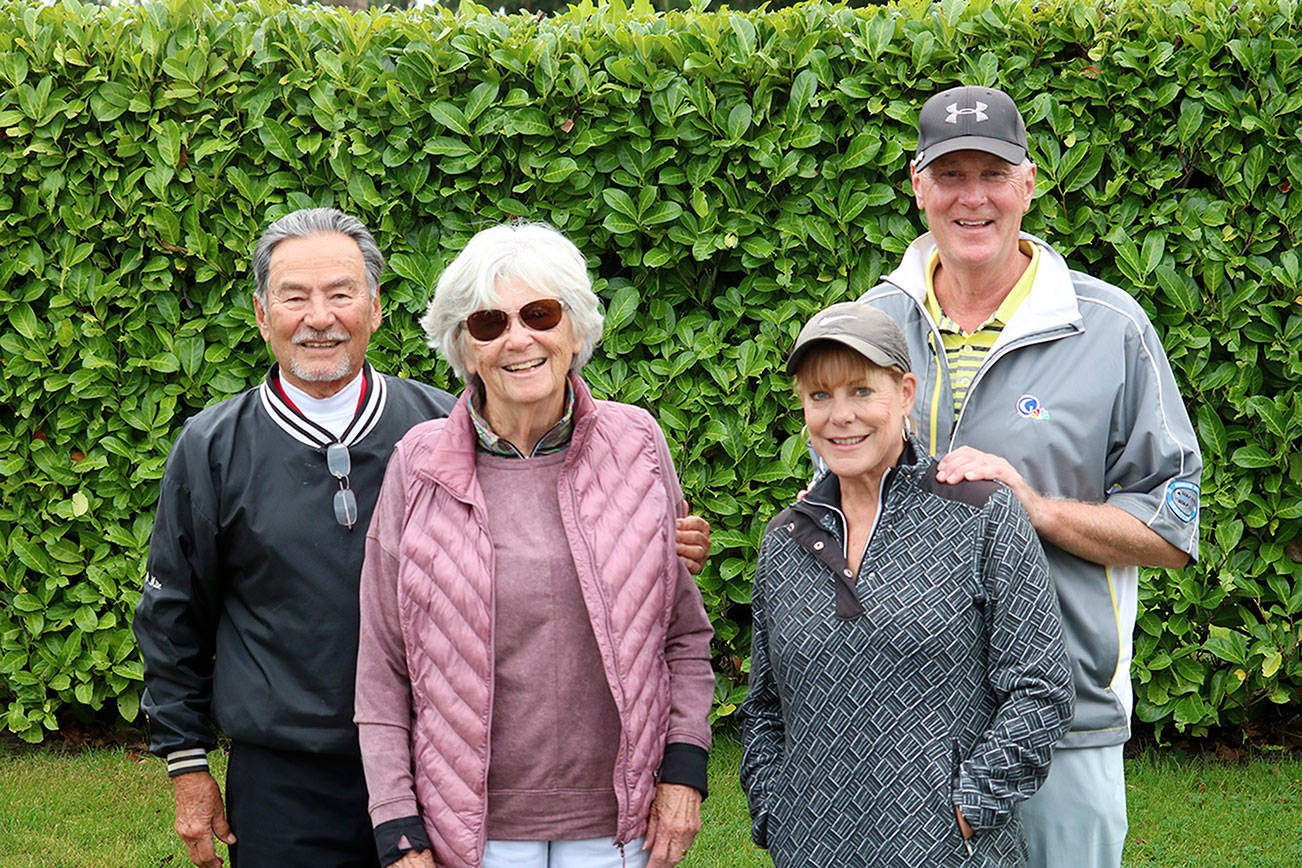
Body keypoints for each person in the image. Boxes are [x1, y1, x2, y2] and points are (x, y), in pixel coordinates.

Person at [133, 209, 714, 868]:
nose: (319, 317)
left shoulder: (439, 427)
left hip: (445, 773)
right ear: (263, 316)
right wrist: (187, 764)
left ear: (376, 308)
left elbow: (587, 543)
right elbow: (172, 615)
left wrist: (660, 542)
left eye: (341, 294)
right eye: (295, 297)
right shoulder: (212, 449)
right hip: (288, 780)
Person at [856, 85, 1203, 867]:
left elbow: (1172, 531)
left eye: (992, 174)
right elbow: (831, 510)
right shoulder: (871, 327)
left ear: (1029, 183)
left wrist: (1035, 509)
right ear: (918, 185)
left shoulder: (1111, 328)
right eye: (950, 175)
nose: (971, 198)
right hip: (902, 723)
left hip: (1066, 721)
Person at [353, 221, 715, 868]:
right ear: (466, 350)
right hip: (472, 832)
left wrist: (684, 774)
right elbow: (382, 666)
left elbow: (682, 636)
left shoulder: (639, 445)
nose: (518, 339)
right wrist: (398, 829)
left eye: (541, 314)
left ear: (575, 331)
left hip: (617, 827)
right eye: (489, 323)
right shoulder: (417, 464)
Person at [738, 303, 1073, 866]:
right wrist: (778, 813)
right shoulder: (785, 540)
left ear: (905, 393)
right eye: (820, 397)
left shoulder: (981, 514)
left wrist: (968, 809)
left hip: (949, 852)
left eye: (861, 392)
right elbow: (765, 707)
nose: (840, 415)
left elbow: (1040, 689)